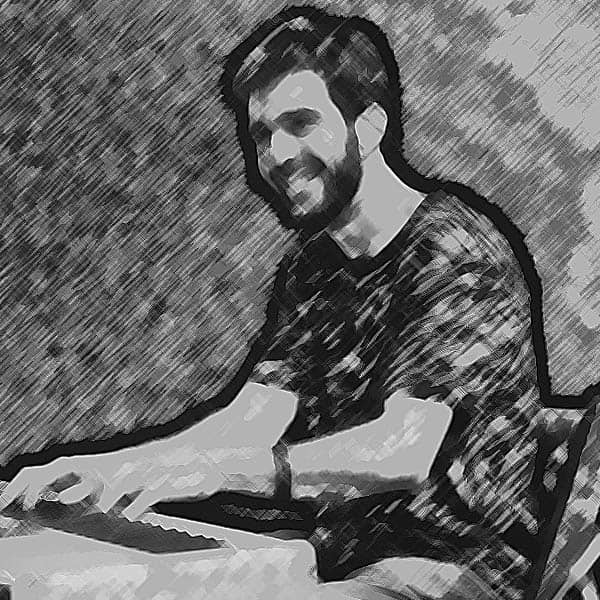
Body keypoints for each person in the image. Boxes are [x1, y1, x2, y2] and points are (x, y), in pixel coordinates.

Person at [0, 5, 580, 599]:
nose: (276, 154)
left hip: (454, 570)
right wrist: (107, 469)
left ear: (369, 127)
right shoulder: (315, 264)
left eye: (301, 123)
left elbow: (405, 450)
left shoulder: (454, 247)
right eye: (262, 134)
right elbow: (253, 418)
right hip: (334, 560)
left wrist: (227, 470)